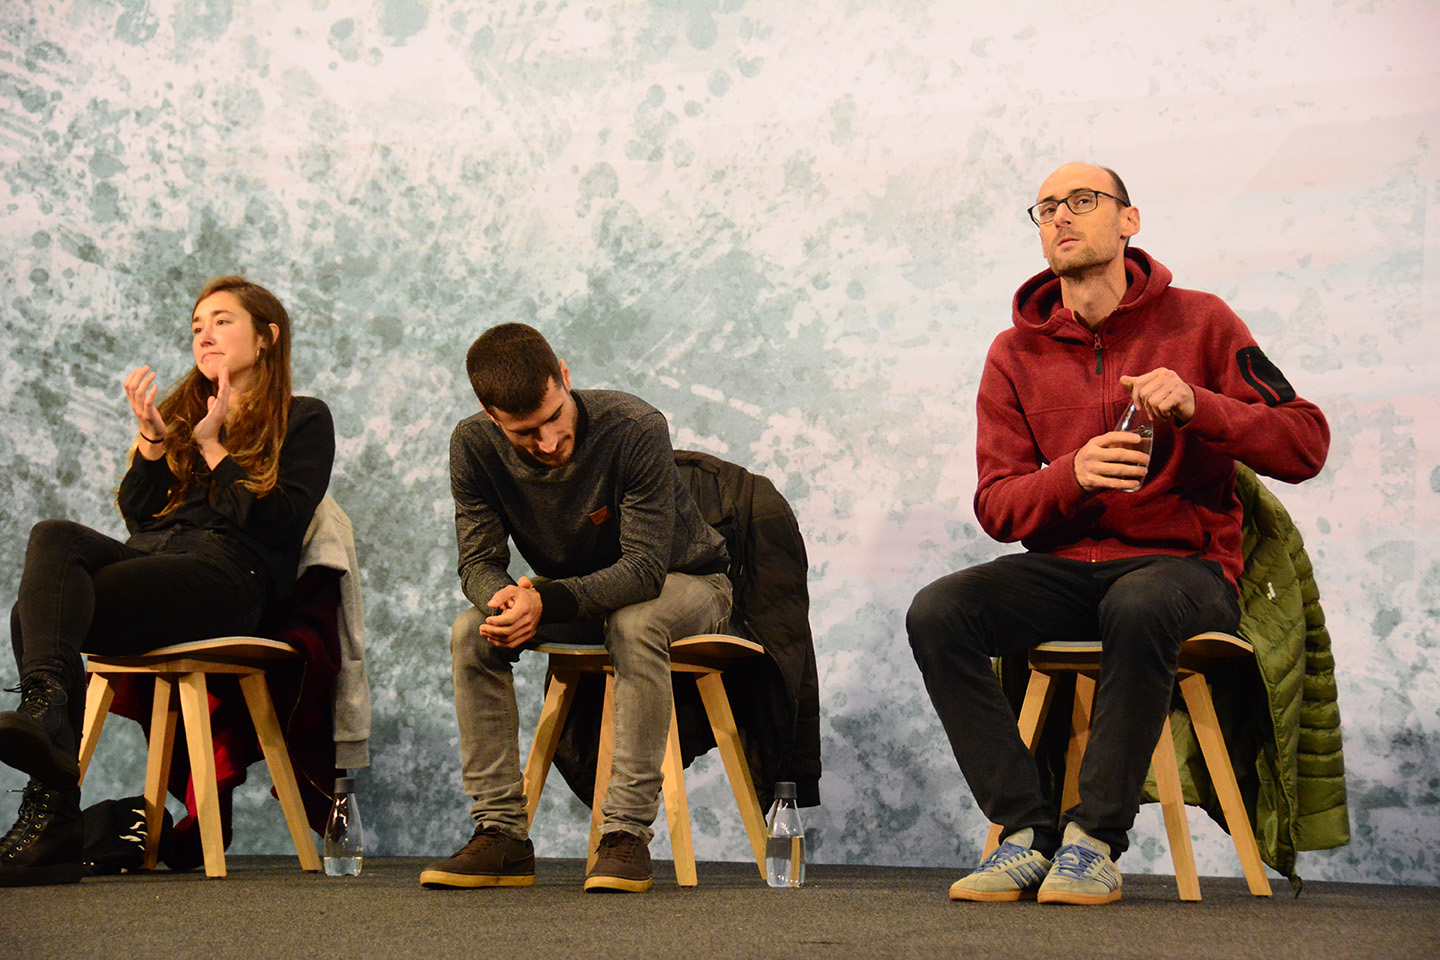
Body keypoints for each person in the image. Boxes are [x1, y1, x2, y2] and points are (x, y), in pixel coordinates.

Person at [907, 163, 1329, 905]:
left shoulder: (1203, 321)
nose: (1061, 217)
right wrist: (1073, 474)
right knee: (940, 613)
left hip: (1183, 569)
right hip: (1070, 570)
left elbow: (1305, 443)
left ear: (1129, 221)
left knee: (1136, 604)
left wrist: (1201, 405)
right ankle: (1025, 834)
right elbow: (999, 505)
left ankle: (1094, 841)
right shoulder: (1015, 352)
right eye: (1046, 208)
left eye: (1082, 201)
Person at [0, 276, 335, 886]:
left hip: (226, 579)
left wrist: (214, 449)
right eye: (196, 326)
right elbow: (141, 516)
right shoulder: (181, 412)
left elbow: (281, 523)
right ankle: (48, 726)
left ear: (267, 338)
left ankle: (51, 807)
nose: (203, 333)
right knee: (50, 547)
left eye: (222, 321)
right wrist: (155, 440)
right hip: (154, 562)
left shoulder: (304, 418)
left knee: (34, 615)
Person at [421, 323, 731, 894]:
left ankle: (626, 835)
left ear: (564, 376)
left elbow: (642, 569)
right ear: (492, 417)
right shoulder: (471, 445)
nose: (546, 443)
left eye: (553, 418)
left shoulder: (634, 426)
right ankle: (502, 835)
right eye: (523, 433)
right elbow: (477, 563)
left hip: (686, 581)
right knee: (472, 630)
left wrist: (543, 598)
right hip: (572, 592)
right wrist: (504, 598)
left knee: (634, 622)